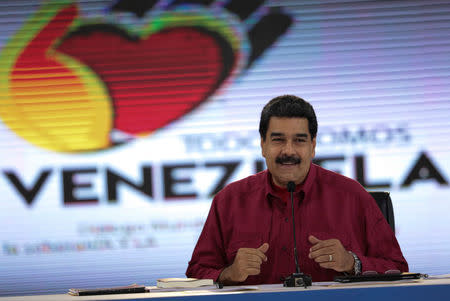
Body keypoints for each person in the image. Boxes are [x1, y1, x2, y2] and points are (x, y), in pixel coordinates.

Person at [186, 95, 408, 284]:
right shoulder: (229, 201)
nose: (288, 151)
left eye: (299, 140)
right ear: (263, 145)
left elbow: (398, 268)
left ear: (313, 146)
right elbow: (197, 274)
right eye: (278, 140)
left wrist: (352, 263)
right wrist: (228, 274)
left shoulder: (352, 196)